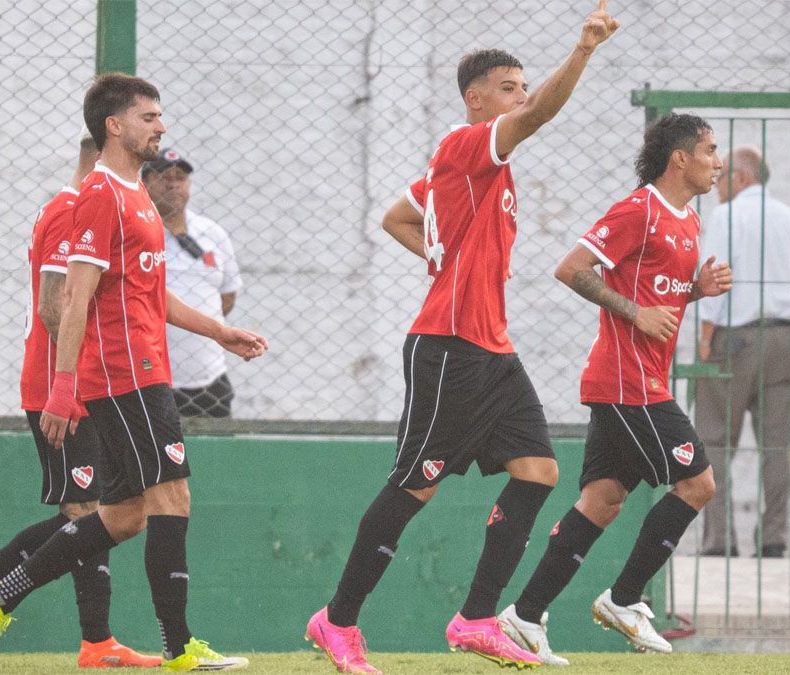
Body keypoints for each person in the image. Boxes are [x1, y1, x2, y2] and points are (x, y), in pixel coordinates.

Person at [304, 3, 620, 672]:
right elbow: (537, 117)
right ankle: (336, 620)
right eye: (510, 87)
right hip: (448, 345)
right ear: (479, 98)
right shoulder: (467, 142)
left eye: (522, 85)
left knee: (538, 470)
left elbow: (397, 215)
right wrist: (584, 49)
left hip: (492, 348)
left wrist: (439, 254)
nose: (523, 96)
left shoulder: (478, 167)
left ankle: (476, 617)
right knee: (413, 486)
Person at [0, 73, 268, 672]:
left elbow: (150, 295)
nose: (161, 125)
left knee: (125, 515)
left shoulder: (138, 198)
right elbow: (74, 299)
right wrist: (62, 384)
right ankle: (180, 650)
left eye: (159, 115)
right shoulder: (100, 196)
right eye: (150, 116)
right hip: (123, 375)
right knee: (172, 496)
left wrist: (218, 330)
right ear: (115, 125)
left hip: (143, 370)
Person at [496, 113, 732, 664]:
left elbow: (658, 299)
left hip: (633, 382)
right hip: (630, 385)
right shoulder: (639, 210)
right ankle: (624, 601)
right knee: (698, 485)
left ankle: (524, 616)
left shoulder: (690, 221)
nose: (718, 162)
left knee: (602, 500)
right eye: (710, 151)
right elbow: (572, 268)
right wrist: (635, 313)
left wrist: (692, 293)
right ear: (680, 159)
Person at [0, 137, 160, 669]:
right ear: (101, 148)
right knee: (86, 512)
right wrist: (71, 385)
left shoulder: (89, 205)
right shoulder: (70, 210)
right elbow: (55, 307)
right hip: (62, 390)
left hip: (87, 387)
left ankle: (97, 641)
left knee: (98, 512)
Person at [693, 145, 790, 558]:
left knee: (714, 439)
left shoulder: (727, 217)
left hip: (734, 337)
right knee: (776, 445)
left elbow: (714, 277)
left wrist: (705, 337)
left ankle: (719, 541)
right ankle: (773, 539)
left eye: (722, 174)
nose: (715, 182)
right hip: (784, 339)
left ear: (743, 178)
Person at [142, 148, 243, 418]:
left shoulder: (212, 232)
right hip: (153, 380)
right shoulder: (138, 231)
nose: (173, 183)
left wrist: (198, 325)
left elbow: (228, 296)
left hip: (210, 378)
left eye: (181, 178)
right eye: (164, 177)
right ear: (146, 182)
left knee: (217, 456)